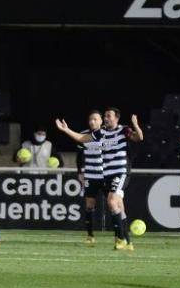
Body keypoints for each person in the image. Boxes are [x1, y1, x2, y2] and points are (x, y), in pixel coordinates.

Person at [55, 107, 144, 250]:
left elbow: (139, 138)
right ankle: (128, 241)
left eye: (109, 116)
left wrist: (136, 125)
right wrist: (66, 130)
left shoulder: (123, 130)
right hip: (107, 174)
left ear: (116, 118)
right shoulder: (100, 133)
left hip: (120, 172)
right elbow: (83, 139)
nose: (106, 118)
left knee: (112, 201)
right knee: (118, 206)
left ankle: (120, 239)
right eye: (105, 116)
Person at [75, 110, 104, 245]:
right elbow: (79, 155)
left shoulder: (107, 134)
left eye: (95, 119)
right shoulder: (83, 135)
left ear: (101, 121)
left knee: (113, 203)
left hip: (106, 175)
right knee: (89, 205)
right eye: (90, 119)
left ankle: (119, 235)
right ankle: (90, 235)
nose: (92, 121)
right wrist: (80, 171)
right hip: (91, 175)